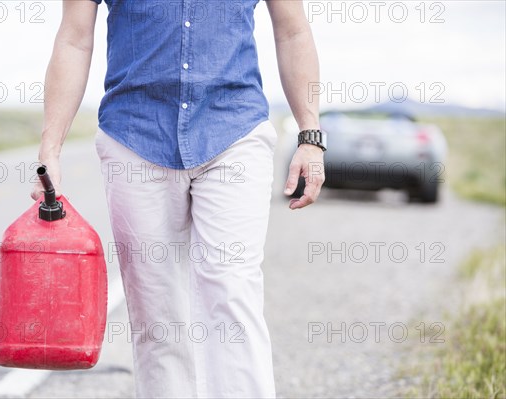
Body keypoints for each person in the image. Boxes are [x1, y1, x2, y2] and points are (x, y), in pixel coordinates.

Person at [31, 0, 324, 397]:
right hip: (133, 137)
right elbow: (74, 39)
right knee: (157, 310)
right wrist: (50, 148)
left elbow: (292, 30)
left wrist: (310, 135)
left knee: (231, 287)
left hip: (234, 131)